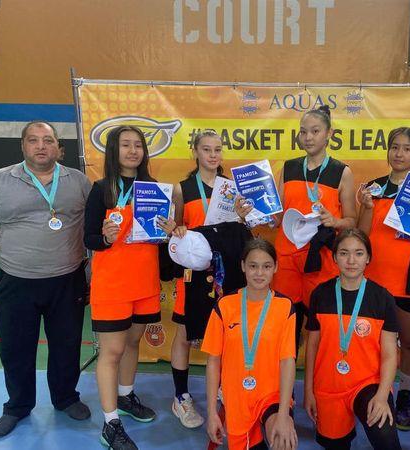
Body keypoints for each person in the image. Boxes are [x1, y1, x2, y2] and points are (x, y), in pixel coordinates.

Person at [0, 121, 91, 437]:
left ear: (59, 147)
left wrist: (92, 272)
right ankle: (17, 406)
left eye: (48, 140)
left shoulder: (79, 181)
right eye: (33, 140)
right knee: (15, 348)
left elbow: (93, 229)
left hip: (68, 279)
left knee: (67, 345)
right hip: (15, 280)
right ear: (23, 146)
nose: (41, 146)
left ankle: (66, 398)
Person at [84, 125, 180, 450]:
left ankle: (125, 396)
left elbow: (160, 238)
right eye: (126, 145)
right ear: (114, 150)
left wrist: (169, 231)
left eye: (138, 145)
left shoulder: (154, 189)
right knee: (112, 351)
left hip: (145, 283)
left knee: (133, 342)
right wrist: (105, 238)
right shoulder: (102, 190)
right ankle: (110, 424)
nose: (133, 151)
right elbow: (89, 238)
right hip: (112, 286)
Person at [237, 105, 356, 349]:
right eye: (303, 132)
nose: (308, 137)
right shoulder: (289, 168)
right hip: (287, 259)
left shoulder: (341, 172)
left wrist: (334, 221)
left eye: (315, 131)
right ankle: (285, 374)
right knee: (286, 326)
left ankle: (318, 374)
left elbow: (352, 221)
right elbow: (277, 218)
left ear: (329, 134)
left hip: (320, 260)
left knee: (321, 329)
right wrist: (253, 214)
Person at [357, 127, 410, 430]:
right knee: (372, 342)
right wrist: (366, 207)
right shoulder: (373, 189)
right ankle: (373, 391)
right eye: (395, 147)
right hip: (375, 279)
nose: (399, 154)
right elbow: (361, 236)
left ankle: (404, 394)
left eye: (407, 148)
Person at [304, 228, 401, 449]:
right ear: (334, 257)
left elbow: (389, 354)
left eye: (358, 253)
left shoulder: (382, 298)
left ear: (368, 258)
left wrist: (382, 395)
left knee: (385, 436)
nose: (351, 260)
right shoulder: (320, 294)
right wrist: (308, 390)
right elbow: (312, 346)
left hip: (367, 383)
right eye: (344, 253)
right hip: (329, 385)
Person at [202, 238, 297, 450]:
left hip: (271, 395)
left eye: (266, 266)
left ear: (275, 267)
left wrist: (284, 415)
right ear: (243, 266)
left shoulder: (284, 307)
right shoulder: (224, 305)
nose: (259, 273)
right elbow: (213, 362)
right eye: (253, 266)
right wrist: (212, 413)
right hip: (237, 400)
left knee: (283, 441)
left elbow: (287, 361)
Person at [169, 129, 225, 429]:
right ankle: (181, 396)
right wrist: (176, 230)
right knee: (184, 333)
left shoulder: (230, 188)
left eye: (217, 149)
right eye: (206, 149)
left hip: (224, 271)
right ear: (195, 151)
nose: (213, 155)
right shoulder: (182, 189)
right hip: (192, 273)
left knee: (226, 331)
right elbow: (176, 229)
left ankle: (225, 387)